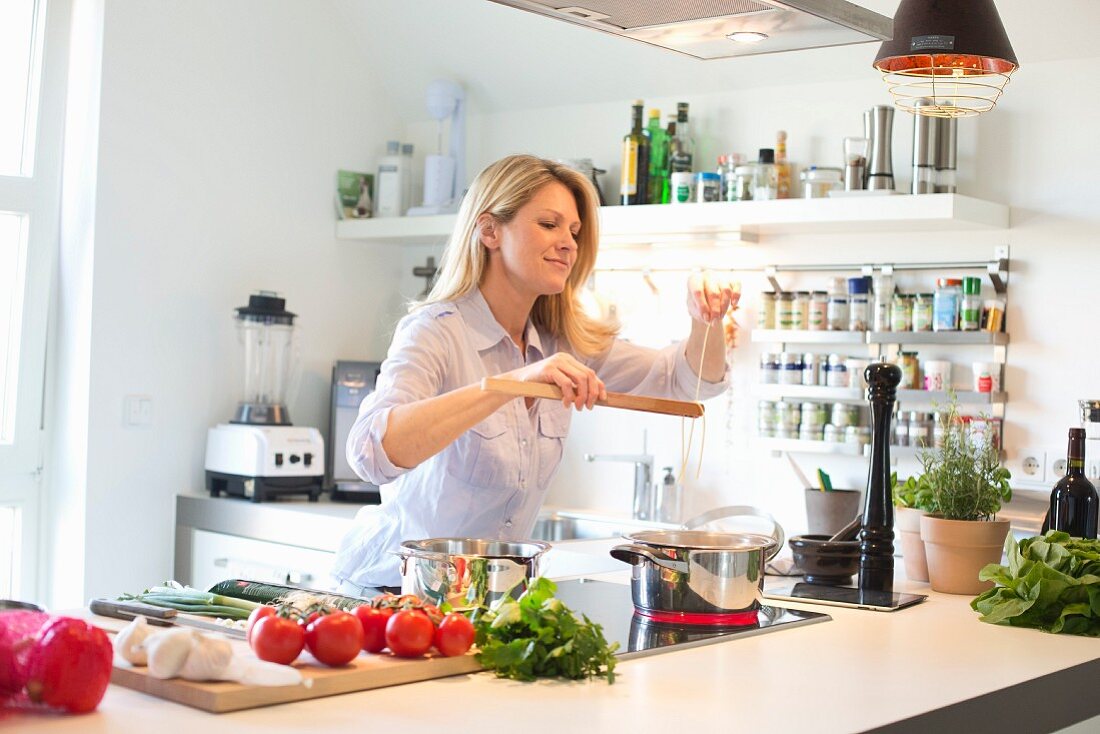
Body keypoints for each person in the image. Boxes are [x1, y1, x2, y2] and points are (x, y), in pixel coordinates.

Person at [332, 154, 739, 595]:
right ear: (489, 231)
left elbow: (686, 378)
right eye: (549, 224)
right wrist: (513, 384)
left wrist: (706, 319)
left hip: (488, 599)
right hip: (391, 594)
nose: (568, 243)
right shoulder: (436, 331)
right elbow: (370, 453)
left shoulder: (561, 342)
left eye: (574, 231)